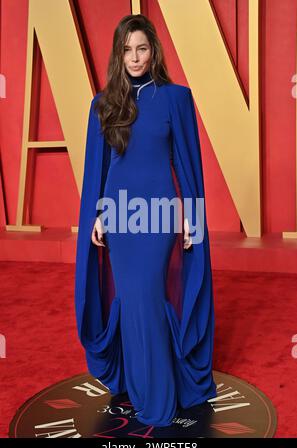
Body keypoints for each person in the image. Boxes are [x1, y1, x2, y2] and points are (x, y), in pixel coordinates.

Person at [75, 14, 217, 427]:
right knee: (133, 302)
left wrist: (194, 217)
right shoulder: (102, 104)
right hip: (119, 215)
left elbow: (189, 164)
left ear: (153, 50)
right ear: (118, 55)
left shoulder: (176, 98)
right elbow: (98, 170)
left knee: (149, 297)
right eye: (127, 50)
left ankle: (158, 397)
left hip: (157, 215)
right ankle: (141, 386)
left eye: (142, 48)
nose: (135, 57)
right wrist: (97, 216)